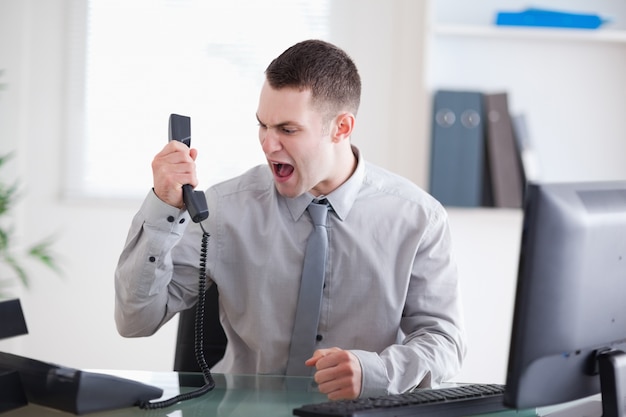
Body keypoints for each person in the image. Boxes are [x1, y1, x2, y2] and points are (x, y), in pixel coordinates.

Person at [115, 39, 466, 400]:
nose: (267, 145)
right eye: (262, 125)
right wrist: (163, 208)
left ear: (341, 128)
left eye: (287, 129)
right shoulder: (224, 208)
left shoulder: (418, 218)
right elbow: (135, 320)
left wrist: (376, 373)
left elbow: (444, 342)